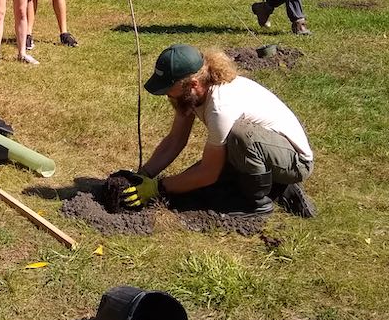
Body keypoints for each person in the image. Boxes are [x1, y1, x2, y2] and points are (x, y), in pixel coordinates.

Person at [121, 44, 316, 218]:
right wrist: (145, 175)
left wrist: (157, 187)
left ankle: (256, 202)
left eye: (168, 89)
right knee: (193, 190)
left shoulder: (220, 106)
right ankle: (273, 184)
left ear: (193, 84)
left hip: (296, 162)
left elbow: (208, 172)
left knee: (239, 136)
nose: (166, 95)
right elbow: (175, 140)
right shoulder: (191, 95)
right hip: (260, 151)